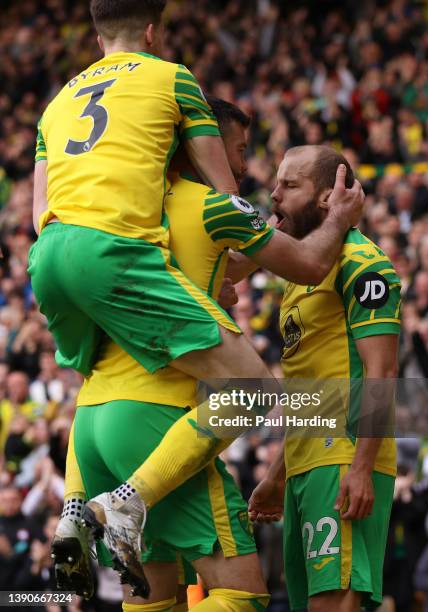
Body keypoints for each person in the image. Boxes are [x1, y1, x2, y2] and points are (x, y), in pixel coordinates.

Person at [30, 0, 364, 594]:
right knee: (240, 590)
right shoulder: (194, 166)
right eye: (241, 149)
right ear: (155, 32)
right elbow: (297, 255)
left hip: (84, 395)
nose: (245, 164)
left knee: (152, 595)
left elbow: (39, 214)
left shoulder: (58, 107)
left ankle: (76, 509)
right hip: (159, 419)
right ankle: (126, 503)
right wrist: (334, 217)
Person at [248, 146, 401, 612]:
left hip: (343, 462)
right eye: (276, 183)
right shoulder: (301, 273)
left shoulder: (363, 263)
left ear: (325, 197)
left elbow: (383, 372)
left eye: (289, 186)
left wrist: (360, 467)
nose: (274, 195)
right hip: (304, 465)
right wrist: (278, 472)